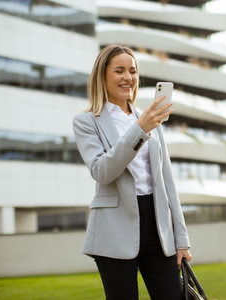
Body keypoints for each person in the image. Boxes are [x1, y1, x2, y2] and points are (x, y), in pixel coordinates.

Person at [72, 45, 192, 300]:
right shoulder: (86, 121)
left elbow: (167, 181)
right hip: (114, 230)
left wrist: (182, 239)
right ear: (102, 76)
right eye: (119, 70)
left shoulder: (150, 119)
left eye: (133, 71)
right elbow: (102, 171)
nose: (128, 77)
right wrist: (140, 129)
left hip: (158, 230)